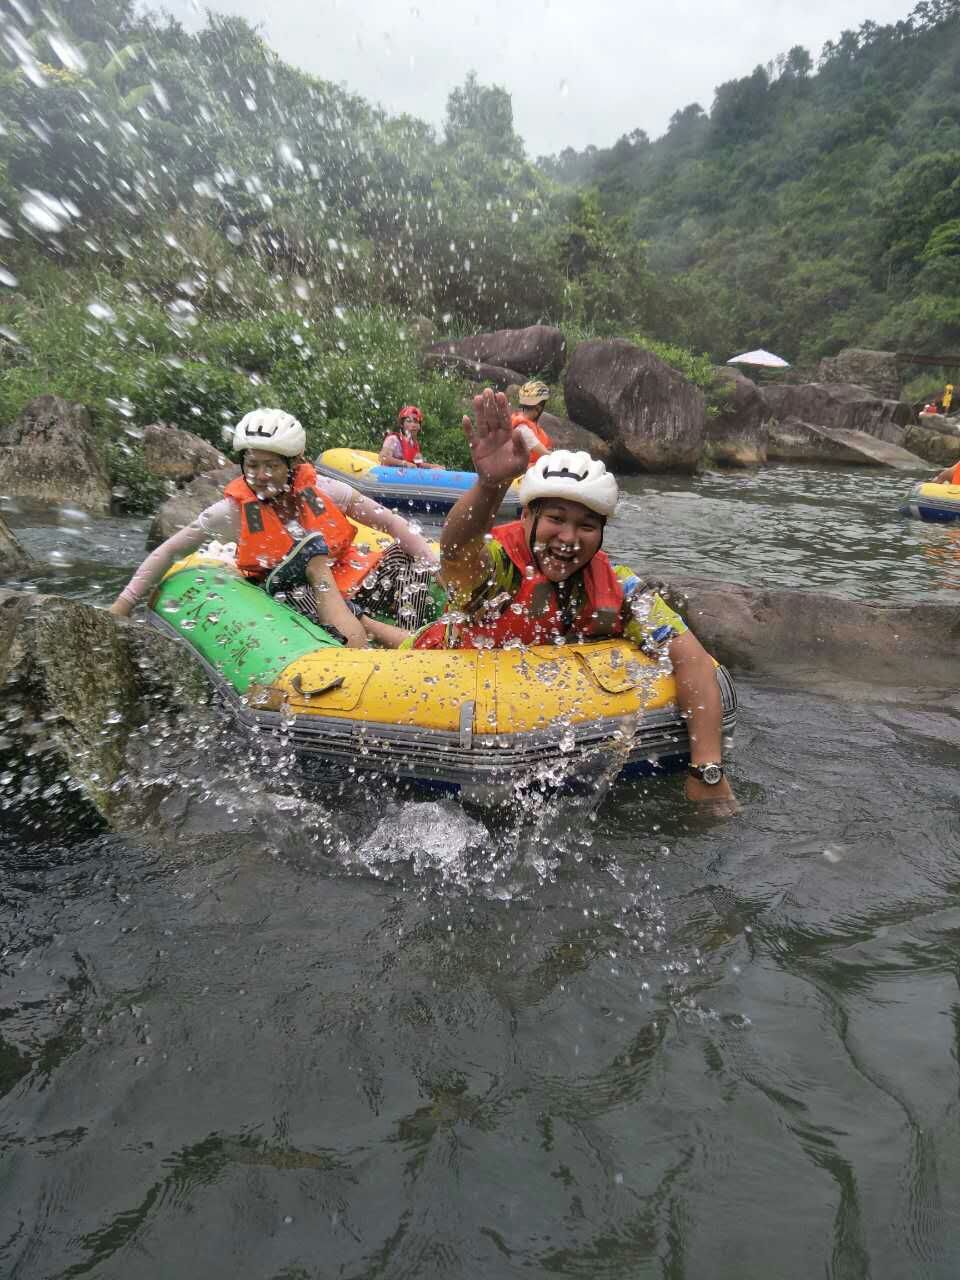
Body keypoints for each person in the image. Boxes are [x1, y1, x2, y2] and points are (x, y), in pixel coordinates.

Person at [409, 389, 738, 813]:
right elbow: (456, 552)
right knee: (404, 635)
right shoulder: (501, 568)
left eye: (586, 525)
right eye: (556, 519)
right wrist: (490, 486)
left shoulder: (618, 588)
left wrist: (707, 770)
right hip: (442, 670)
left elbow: (690, 657)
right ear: (526, 518)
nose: (568, 538)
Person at [109, 409, 440, 647]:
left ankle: (416, 633)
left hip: (350, 579)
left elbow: (392, 522)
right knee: (292, 591)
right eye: (252, 465)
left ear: (294, 465)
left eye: (271, 466)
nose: (261, 475)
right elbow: (171, 550)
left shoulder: (325, 489)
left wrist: (435, 566)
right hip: (301, 594)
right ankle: (388, 642)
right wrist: (124, 604)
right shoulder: (231, 513)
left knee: (406, 557)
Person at [379, 405, 438, 469]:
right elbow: (383, 458)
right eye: (409, 421)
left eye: (416, 422)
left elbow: (419, 464)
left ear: (419, 426)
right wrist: (404, 463)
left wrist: (432, 466)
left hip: (405, 477)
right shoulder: (393, 439)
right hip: (389, 476)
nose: (413, 425)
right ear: (402, 424)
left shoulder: (415, 444)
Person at [511, 380, 554, 464]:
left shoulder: (526, 424)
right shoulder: (523, 429)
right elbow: (546, 454)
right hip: (523, 473)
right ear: (538, 408)